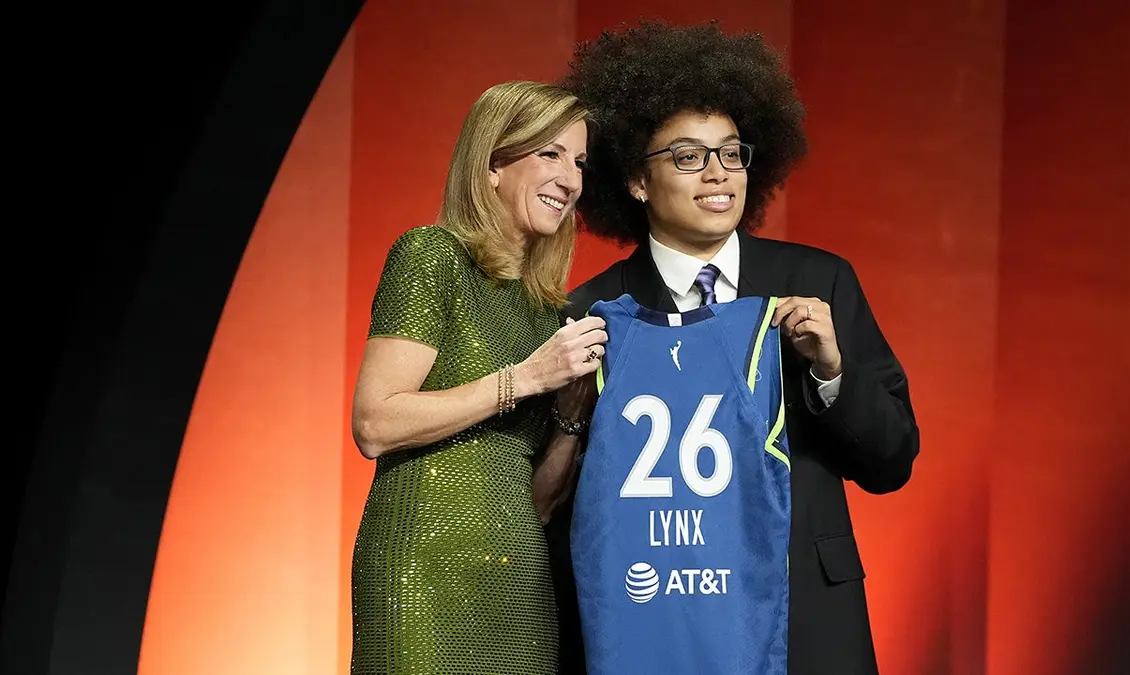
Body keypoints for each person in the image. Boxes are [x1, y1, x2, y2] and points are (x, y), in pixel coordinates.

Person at [549, 23, 921, 675]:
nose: (718, 174)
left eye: (732, 153)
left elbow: (892, 460)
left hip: (803, 621)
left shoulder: (817, 282)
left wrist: (832, 373)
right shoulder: (588, 315)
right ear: (637, 178)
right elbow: (563, 513)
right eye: (689, 157)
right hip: (654, 626)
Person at [349, 80, 607, 675]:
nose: (570, 179)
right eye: (550, 153)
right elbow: (375, 422)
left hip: (519, 580)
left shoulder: (548, 312)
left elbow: (539, 502)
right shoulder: (431, 257)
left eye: (580, 162)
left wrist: (570, 414)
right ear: (493, 165)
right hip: (423, 575)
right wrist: (523, 378)